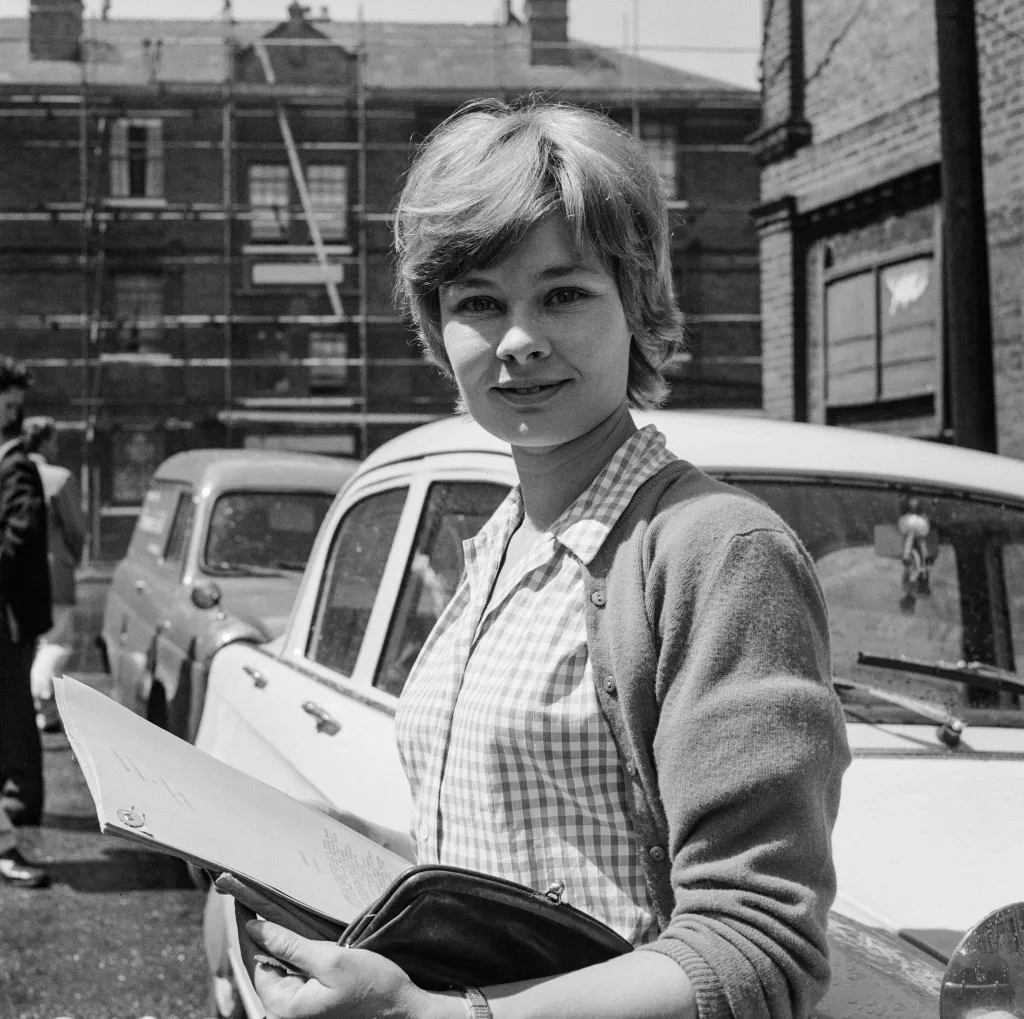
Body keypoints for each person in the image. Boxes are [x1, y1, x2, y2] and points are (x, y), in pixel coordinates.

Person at [238, 100, 851, 1019]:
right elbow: (514, 853)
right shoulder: (496, 542)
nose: (518, 338)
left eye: (562, 293)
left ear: (637, 303)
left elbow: (757, 944)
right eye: (479, 302)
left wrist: (447, 1016)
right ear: (437, 328)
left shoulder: (716, 552)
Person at [0, 357, 51, 886]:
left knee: (14, 726)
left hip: (8, 621)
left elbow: (17, 538)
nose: (13, 411)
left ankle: (15, 836)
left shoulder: (16, 464)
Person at [23, 415, 87, 733]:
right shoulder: (60, 479)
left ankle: (33, 708)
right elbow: (76, 529)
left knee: (28, 643)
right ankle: (44, 702)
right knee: (57, 642)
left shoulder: (9, 472)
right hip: (52, 571)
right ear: (46, 441)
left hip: (15, 571)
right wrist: (71, 557)